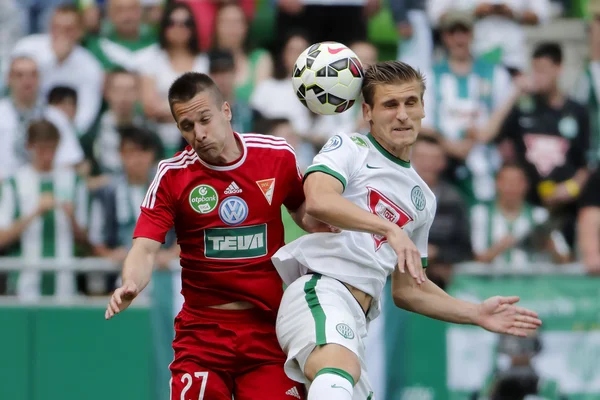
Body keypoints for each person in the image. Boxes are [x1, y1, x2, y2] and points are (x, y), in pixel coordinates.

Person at [272, 61, 542, 399]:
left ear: (424, 108)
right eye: (390, 104)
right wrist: (389, 229)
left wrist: (474, 312)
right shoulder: (351, 147)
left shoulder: (423, 199)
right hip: (320, 291)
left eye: (410, 102)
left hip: (357, 318)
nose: (402, 114)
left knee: (341, 382)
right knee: (337, 378)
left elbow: (409, 290)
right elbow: (318, 199)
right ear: (367, 111)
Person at [104, 72, 332, 399]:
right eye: (186, 126)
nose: (198, 134)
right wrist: (131, 284)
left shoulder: (276, 155)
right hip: (202, 339)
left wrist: (333, 222)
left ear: (226, 111)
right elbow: (145, 248)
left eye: (204, 119)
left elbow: (304, 213)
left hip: (268, 333)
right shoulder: (172, 175)